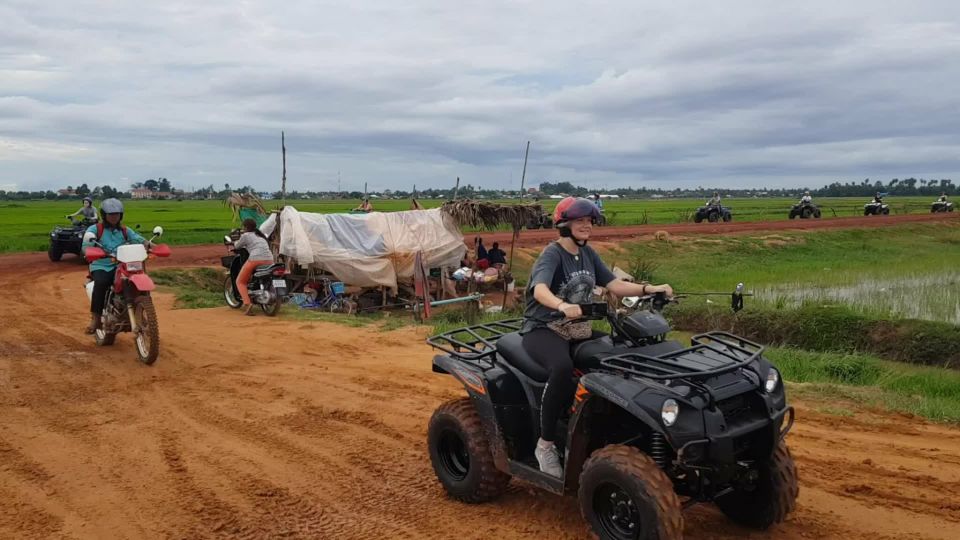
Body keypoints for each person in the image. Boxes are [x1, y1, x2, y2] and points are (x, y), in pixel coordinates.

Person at [521, 196, 673, 477]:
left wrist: (649, 289)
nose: (586, 225)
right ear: (564, 224)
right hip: (543, 328)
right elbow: (539, 289)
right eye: (580, 220)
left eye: (589, 221)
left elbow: (614, 284)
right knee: (562, 368)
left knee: (623, 353)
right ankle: (546, 444)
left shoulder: (588, 254)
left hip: (578, 329)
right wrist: (562, 305)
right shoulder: (552, 254)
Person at [81, 198, 148, 334]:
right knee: (101, 282)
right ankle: (96, 318)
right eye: (111, 214)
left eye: (117, 214)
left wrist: (150, 245)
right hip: (102, 264)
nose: (114, 217)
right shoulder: (95, 229)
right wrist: (93, 251)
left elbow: (138, 238)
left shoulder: (124, 230)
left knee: (138, 281)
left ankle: (143, 312)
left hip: (123, 264)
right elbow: (86, 246)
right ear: (104, 215)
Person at [233, 218, 275, 315]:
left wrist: (233, 243)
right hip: (270, 260)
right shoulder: (261, 236)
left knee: (240, 281)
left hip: (255, 259)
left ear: (245, 227)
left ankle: (247, 304)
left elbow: (237, 246)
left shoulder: (245, 236)